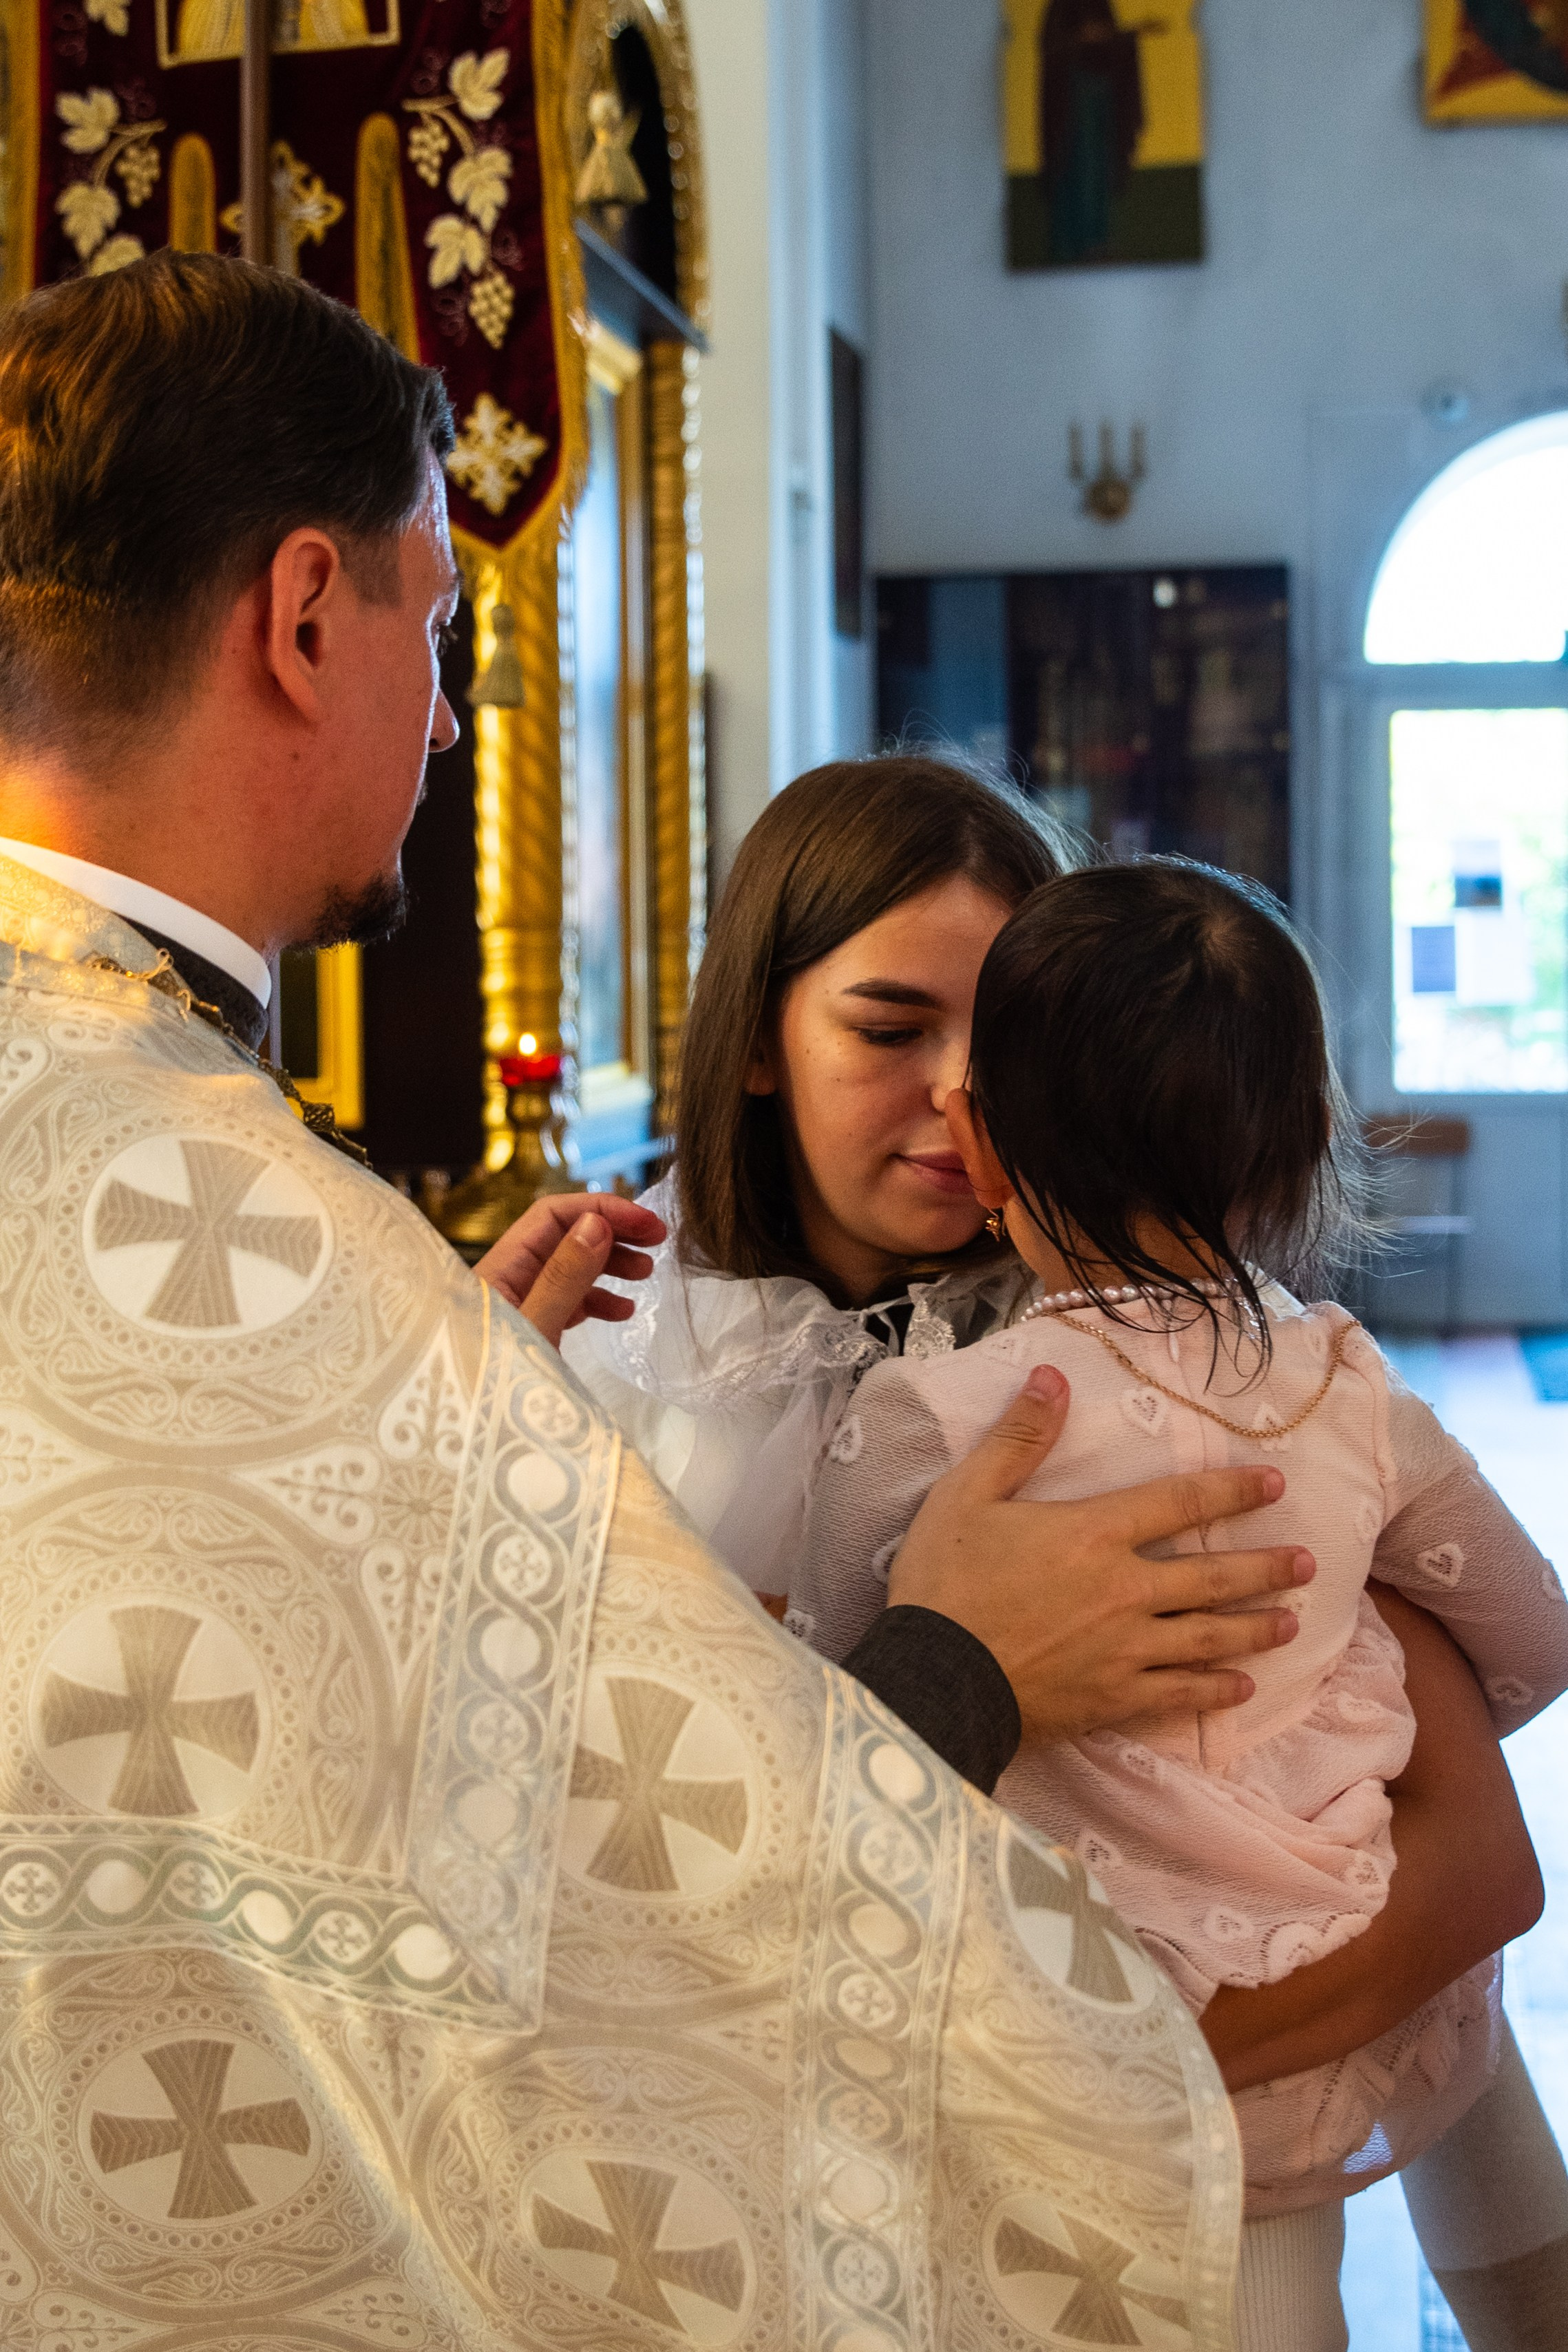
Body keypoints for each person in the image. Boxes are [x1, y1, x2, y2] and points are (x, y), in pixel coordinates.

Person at [0, 250, 1357, 2344]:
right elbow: (564, 1962)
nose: (448, 710)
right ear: (297, 619)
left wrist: (433, 1419)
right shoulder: (253, 1232)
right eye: (437, 627)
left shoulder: (176, 1184)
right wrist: (962, 1666)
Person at [792, 860, 1568, 2349]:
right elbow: (1532, 1640)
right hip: (1341, 1965)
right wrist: (1347, 1679)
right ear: (1295, 1154)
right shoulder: (1348, 1388)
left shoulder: (936, 1415)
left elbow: (843, 1677)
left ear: (985, 1143)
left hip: (1063, 1998)